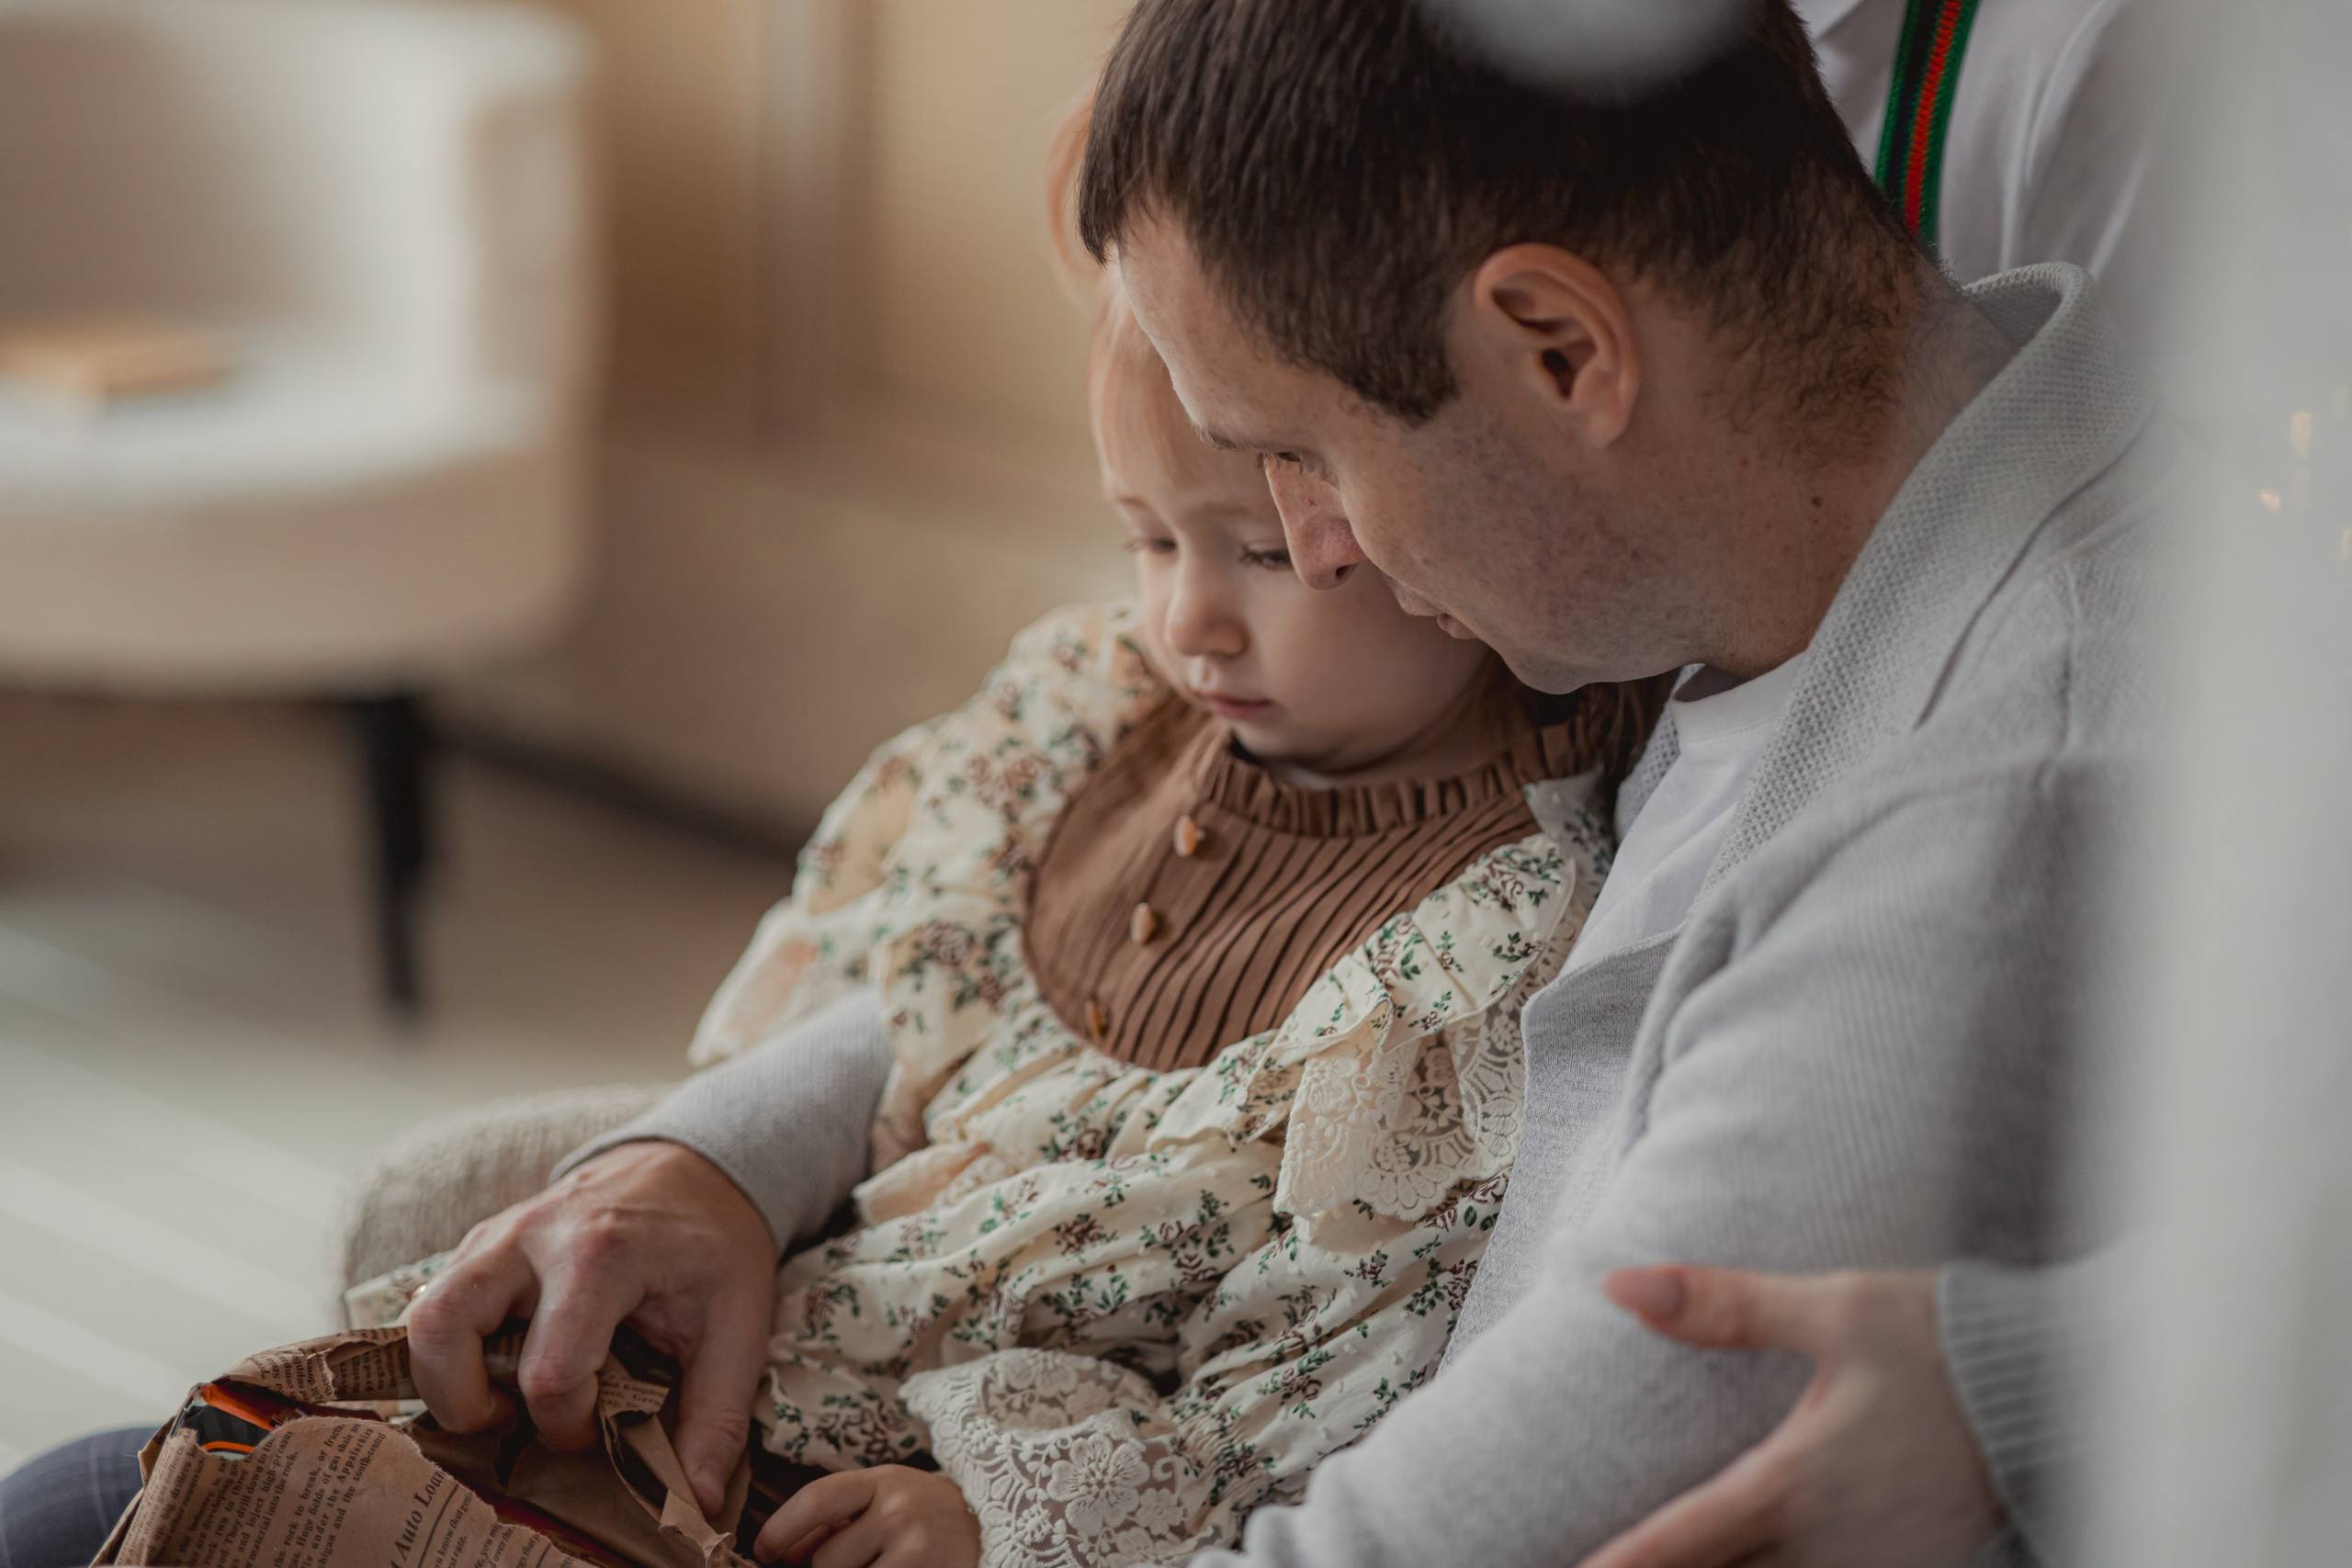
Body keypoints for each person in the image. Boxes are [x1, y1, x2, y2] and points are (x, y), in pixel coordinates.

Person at [0, 208, 1662, 1568]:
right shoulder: (1093, 718)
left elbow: (1341, 1397)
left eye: (1266, 552)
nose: (1187, 624)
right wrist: (706, 1166)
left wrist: (998, 1524)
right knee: (90, 1498)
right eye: (1147, 539)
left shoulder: (1478, 968)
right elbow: (891, 1005)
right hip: (704, 1400)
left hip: (875, 1516)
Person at [1070, 0, 2169, 1560]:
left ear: (1563, 352)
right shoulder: (1720, 570)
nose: (1318, 547)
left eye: (1301, 450)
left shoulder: (1975, 839)